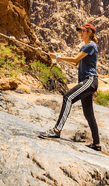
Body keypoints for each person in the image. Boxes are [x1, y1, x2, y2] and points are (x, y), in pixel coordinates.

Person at [39, 23, 101, 151]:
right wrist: (59, 58)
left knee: (67, 97)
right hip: (87, 81)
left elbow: (74, 60)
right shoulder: (84, 47)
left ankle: (56, 131)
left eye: (83, 31)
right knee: (88, 113)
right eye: (80, 32)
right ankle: (97, 145)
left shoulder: (91, 46)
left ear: (89, 32)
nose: (80, 33)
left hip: (90, 81)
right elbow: (75, 63)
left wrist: (58, 57)